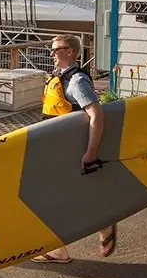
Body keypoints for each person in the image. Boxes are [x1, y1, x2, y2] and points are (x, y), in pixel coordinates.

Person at [31, 34, 116, 264]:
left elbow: (96, 115)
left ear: (70, 52)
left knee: (51, 198)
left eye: (55, 49)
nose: (52, 54)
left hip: (67, 151)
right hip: (57, 149)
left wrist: (91, 152)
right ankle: (104, 222)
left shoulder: (76, 81)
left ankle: (58, 249)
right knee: (70, 195)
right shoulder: (60, 78)